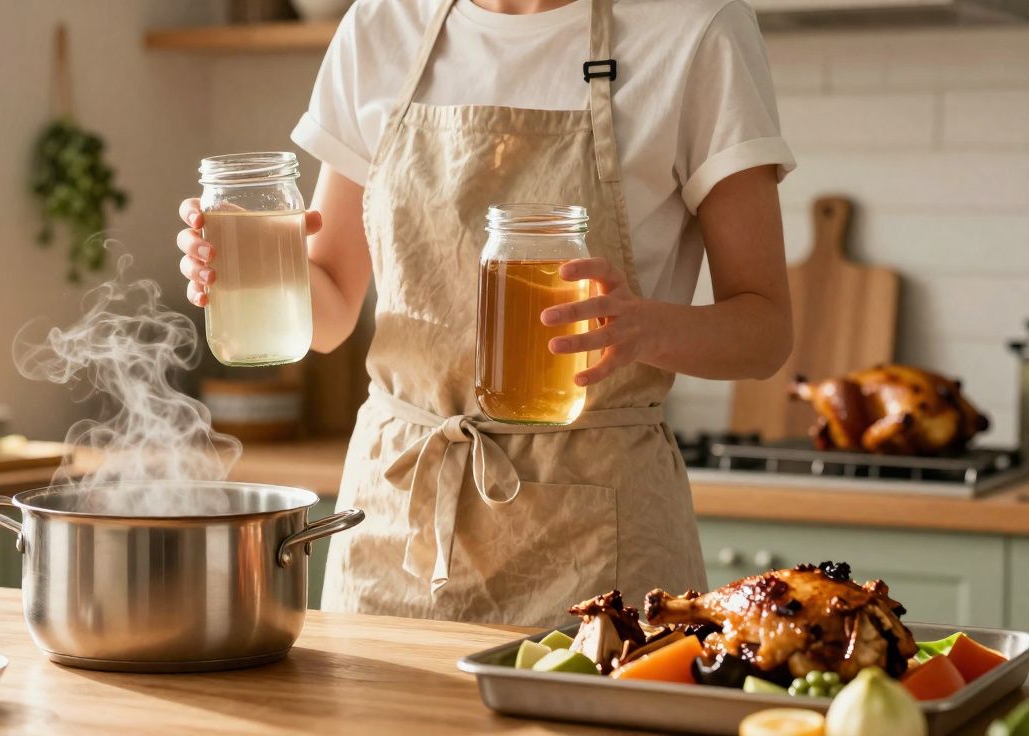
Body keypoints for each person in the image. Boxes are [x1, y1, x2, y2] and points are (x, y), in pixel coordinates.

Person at [176, 0, 795, 627]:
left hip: (599, 551)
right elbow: (331, 302)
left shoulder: (696, 31)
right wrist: (247, 274)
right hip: (396, 524)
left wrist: (645, 327)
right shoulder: (381, 26)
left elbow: (765, 330)